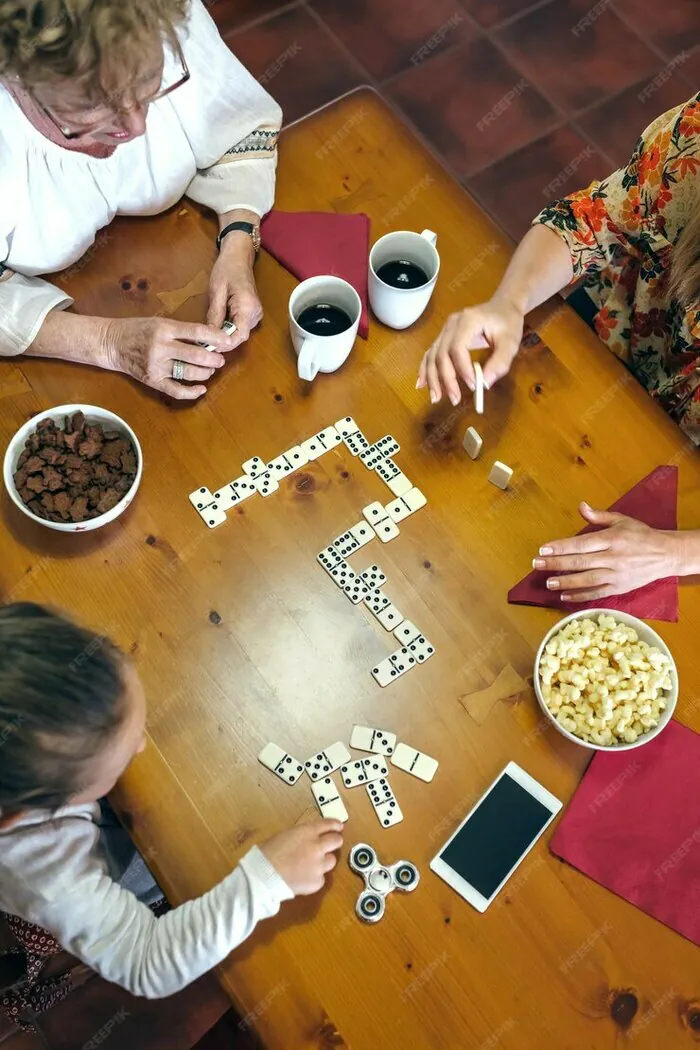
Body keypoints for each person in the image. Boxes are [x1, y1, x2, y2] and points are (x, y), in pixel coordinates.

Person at [417, 93, 700, 603]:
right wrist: (509, 301)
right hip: (616, 360)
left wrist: (675, 553)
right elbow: (590, 221)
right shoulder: (692, 142)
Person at [0, 602, 343, 998]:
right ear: (48, 803)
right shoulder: (47, 875)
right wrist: (266, 881)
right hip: (37, 903)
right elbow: (146, 962)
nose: (144, 745)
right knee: (174, 871)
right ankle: (49, 966)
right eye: (127, 753)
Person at [0, 0, 282, 400]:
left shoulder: (154, 14)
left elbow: (234, 125)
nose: (136, 126)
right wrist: (108, 342)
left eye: (150, 81)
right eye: (94, 104)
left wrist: (238, 244)